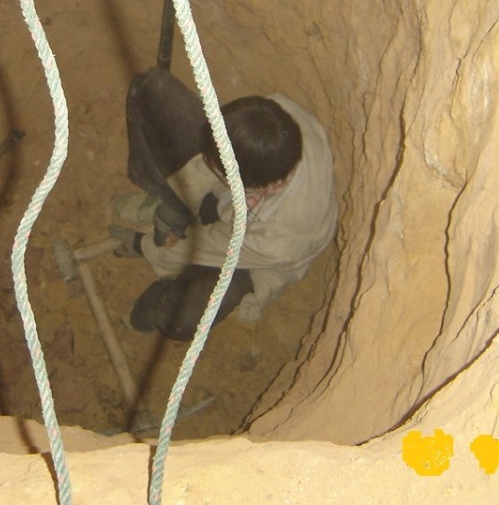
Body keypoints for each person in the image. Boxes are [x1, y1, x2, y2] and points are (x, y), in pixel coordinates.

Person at [115, 68, 336, 341]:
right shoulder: (279, 117)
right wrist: (177, 202)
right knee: (151, 87)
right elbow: (223, 154)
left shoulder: (281, 239)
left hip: (255, 260)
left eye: (219, 171)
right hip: (235, 195)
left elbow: (209, 245)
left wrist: (146, 244)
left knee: (184, 317)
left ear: (250, 183)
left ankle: (152, 309)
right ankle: (159, 190)